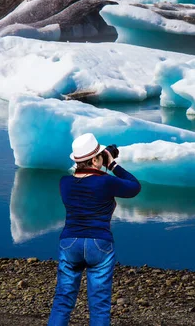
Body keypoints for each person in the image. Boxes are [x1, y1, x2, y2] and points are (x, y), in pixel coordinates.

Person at [48, 133, 141, 326]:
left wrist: (98, 160)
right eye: (99, 155)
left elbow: (81, 178)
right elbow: (134, 187)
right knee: (99, 305)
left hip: (69, 243)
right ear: (94, 159)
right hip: (99, 243)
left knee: (63, 301)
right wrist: (112, 164)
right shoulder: (106, 182)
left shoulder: (64, 183)